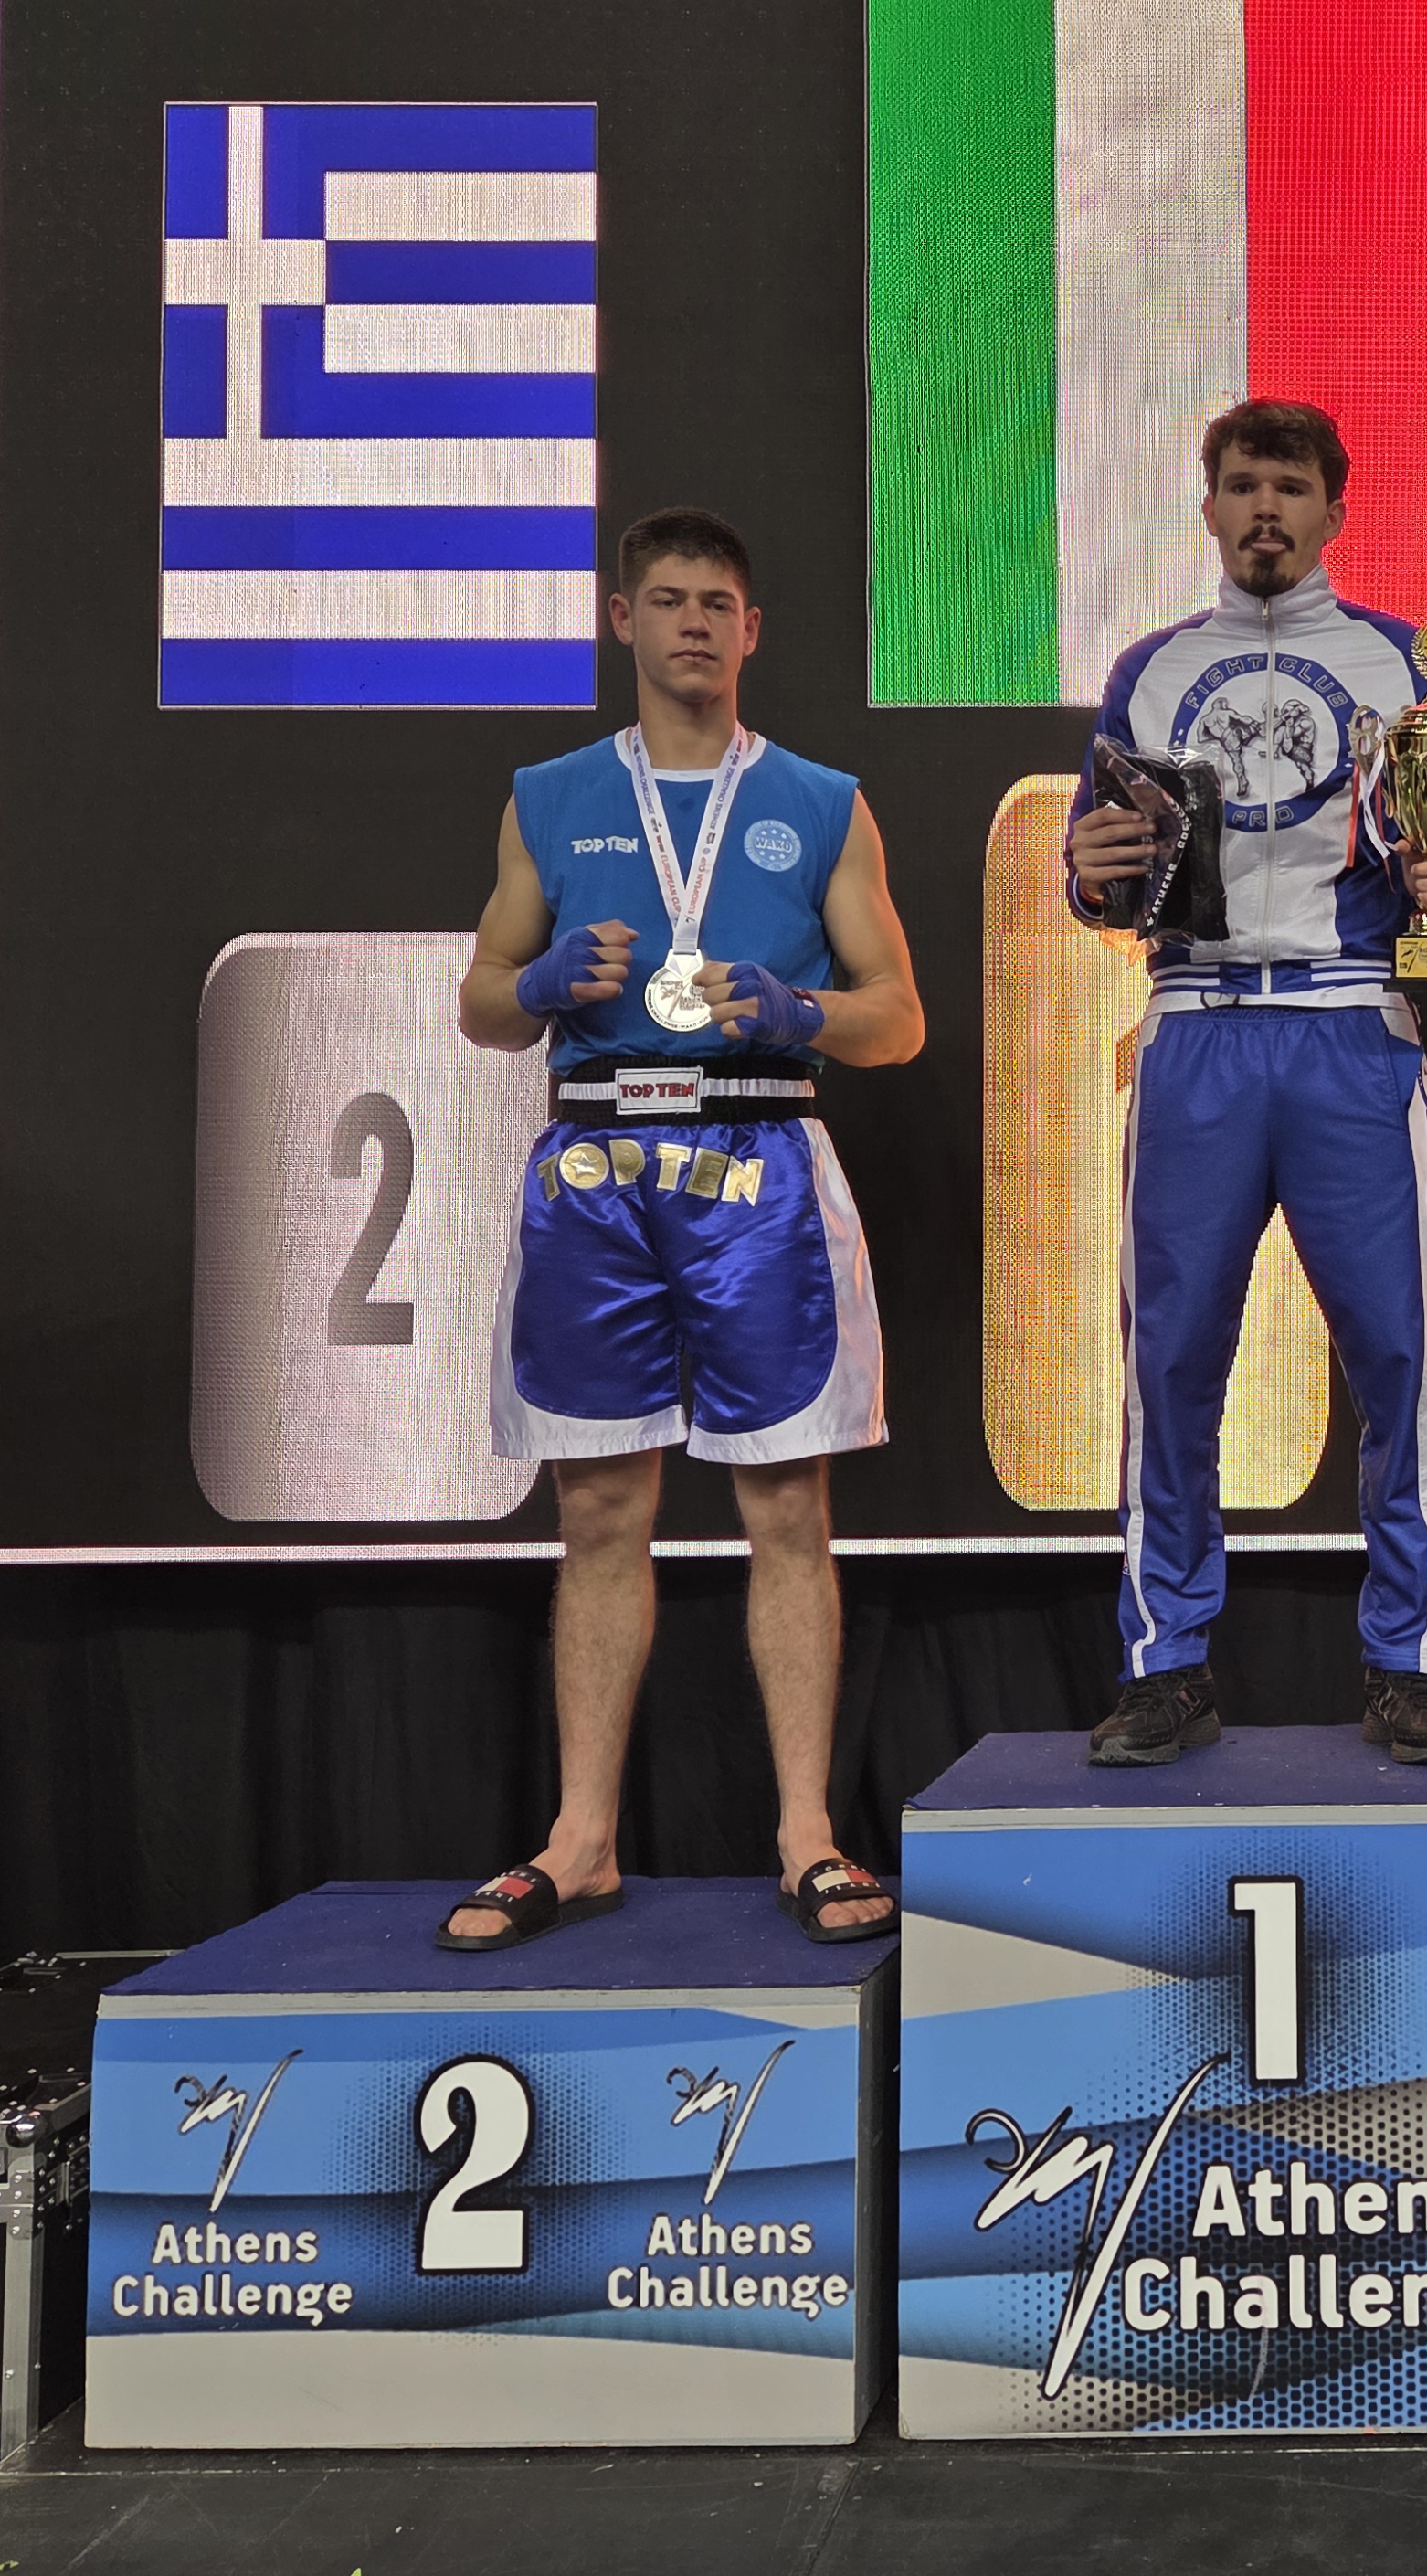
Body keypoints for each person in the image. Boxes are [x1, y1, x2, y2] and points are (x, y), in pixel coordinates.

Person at [446, 506, 920, 1950]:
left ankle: (808, 1836)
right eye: (668, 600)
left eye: (718, 602)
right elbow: (482, 995)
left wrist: (801, 1011)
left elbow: (898, 1020)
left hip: (758, 1158)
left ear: (751, 629)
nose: (695, 623)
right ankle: (583, 1839)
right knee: (596, 1508)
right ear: (623, 620)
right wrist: (536, 989)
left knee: (786, 1506)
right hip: (597, 1163)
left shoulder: (824, 801)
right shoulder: (549, 795)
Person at [1062, 400, 1427, 1768]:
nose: (1267, 508)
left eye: (1293, 487)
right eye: (1244, 484)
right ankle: (1166, 1662)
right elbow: (1099, 865)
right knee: (1170, 1358)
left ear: (1334, 513)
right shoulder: (1148, 670)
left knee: (1399, 1356)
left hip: (1351, 1025)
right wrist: (1087, 873)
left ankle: (1413, 1662)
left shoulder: (1402, 666)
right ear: (1207, 509)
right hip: (1195, 1024)